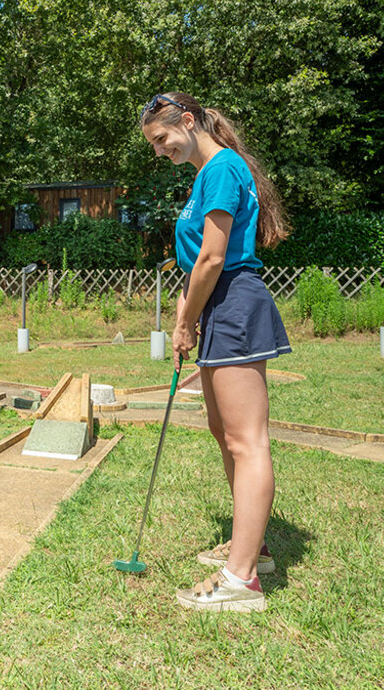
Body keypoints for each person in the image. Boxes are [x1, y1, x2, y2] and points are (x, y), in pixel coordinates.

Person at [140, 92, 291, 613]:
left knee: (247, 440)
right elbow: (194, 264)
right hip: (215, 306)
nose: (160, 152)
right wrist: (189, 315)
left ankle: (241, 580)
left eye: (162, 140)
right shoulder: (206, 175)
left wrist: (184, 320)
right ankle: (256, 547)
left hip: (233, 301)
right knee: (223, 431)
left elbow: (212, 258)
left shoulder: (223, 166)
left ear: (187, 120)